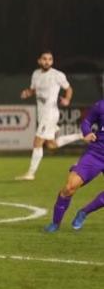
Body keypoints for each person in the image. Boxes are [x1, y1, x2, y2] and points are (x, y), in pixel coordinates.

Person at [44, 99, 104, 232]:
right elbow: (86, 122)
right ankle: (55, 223)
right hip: (97, 153)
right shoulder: (101, 106)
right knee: (69, 187)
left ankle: (84, 212)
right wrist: (87, 132)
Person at [16, 51, 74, 181]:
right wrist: (27, 93)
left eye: (50, 59)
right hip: (41, 114)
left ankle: (30, 173)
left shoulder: (57, 75)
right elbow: (33, 89)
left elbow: (69, 89)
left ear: (52, 62)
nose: (47, 61)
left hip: (50, 113)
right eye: (44, 59)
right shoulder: (36, 74)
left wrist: (67, 99)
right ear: (39, 61)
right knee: (51, 145)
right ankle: (80, 135)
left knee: (37, 142)